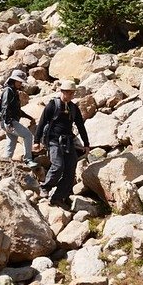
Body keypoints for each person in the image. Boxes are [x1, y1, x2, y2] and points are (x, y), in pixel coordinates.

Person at [33, 80, 90, 209]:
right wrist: (36, 141)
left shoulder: (73, 108)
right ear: (62, 91)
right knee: (58, 165)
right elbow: (41, 123)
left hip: (68, 141)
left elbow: (80, 126)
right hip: (53, 140)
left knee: (70, 171)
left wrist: (86, 144)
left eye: (72, 93)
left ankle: (57, 197)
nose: (70, 95)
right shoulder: (52, 105)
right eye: (68, 93)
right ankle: (45, 187)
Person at [0, 70, 38, 168]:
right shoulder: (8, 91)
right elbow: (5, 107)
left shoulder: (13, 91)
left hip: (7, 121)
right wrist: (8, 123)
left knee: (12, 140)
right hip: (9, 121)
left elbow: (17, 110)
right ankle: (28, 160)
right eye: (19, 81)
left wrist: (29, 117)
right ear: (13, 80)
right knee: (28, 135)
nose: (20, 84)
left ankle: (5, 161)